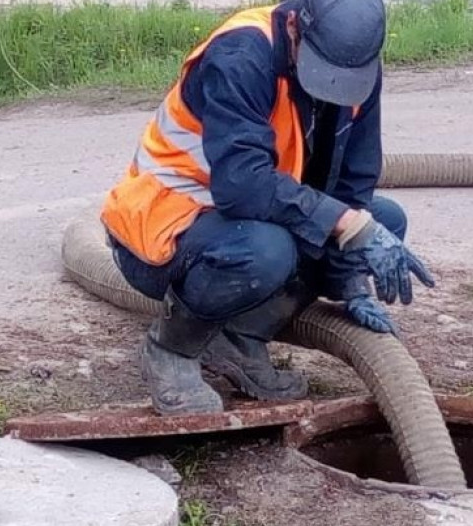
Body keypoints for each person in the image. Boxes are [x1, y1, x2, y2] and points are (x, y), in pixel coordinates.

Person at [101, 0, 434, 416]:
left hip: (243, 222)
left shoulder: (355, 66)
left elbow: (354, 179)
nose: (332, 86)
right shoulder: (241, 53)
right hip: (164, 229)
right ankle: (170, 351)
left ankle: (239, 341)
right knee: (266, 250)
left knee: (385, 219)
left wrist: (351, 280)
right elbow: (244, 186)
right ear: (295, 25)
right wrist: (348, 227)